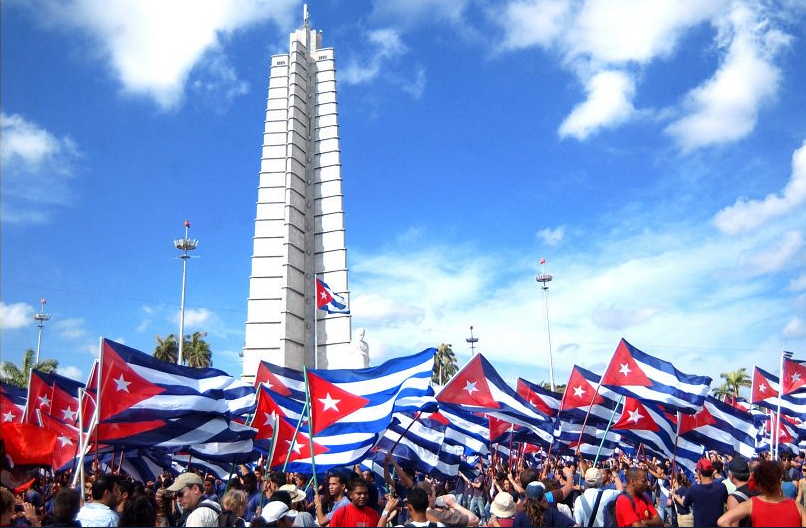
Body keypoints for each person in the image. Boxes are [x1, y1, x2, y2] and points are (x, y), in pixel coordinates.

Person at [717, 460, 806, 527]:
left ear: (759, 484)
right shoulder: (797, 506)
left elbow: (722, 521)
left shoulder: (751, 504)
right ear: (779, 480)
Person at [673, 458, 727, 527]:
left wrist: (676, 496)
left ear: (699, 472)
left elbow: (685, 504)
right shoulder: (721, 487)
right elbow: (726, 503)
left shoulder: (694, 489)